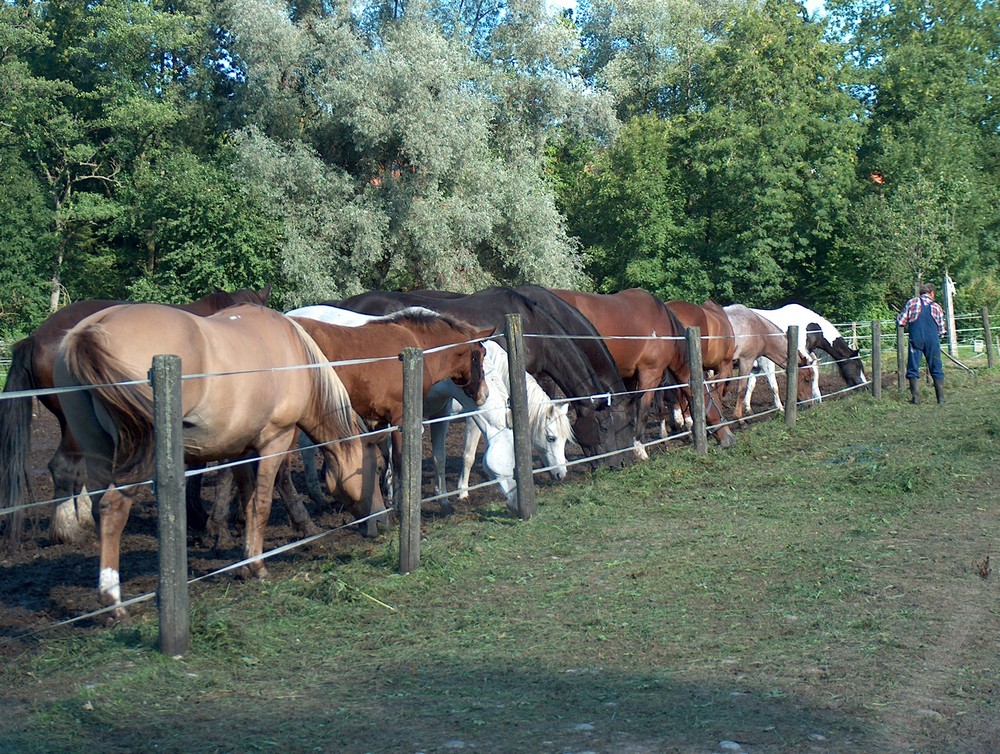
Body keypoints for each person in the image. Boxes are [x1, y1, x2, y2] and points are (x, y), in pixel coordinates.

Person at [897, 283, 946, 404]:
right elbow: (941, 330)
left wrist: (899, 317)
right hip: (932, 340)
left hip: (916, 339)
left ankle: (916, 398)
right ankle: (941, 399)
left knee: (913, 367)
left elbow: (901, 321)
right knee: (936, 366)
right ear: (932, 293)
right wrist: (939, 335)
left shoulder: (911, 303)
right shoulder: (937, 307)